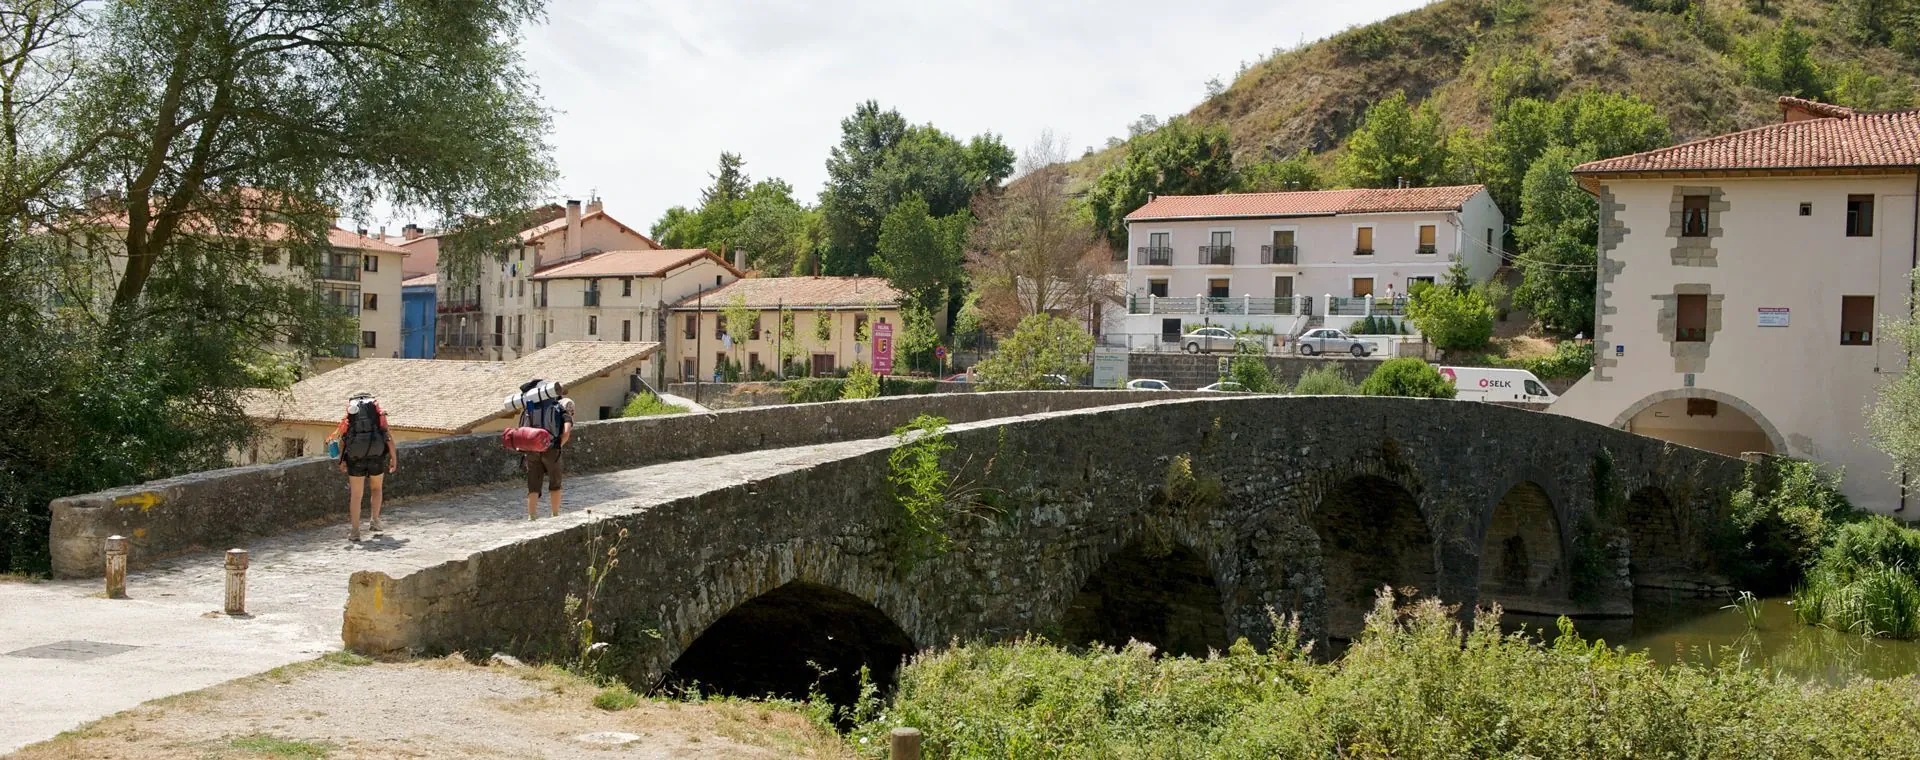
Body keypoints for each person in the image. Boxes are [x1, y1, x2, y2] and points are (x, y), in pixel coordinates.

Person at [324, 392, 396, 542]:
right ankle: (375, 520)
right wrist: (393, 457)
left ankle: (355, 531)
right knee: (376, 488)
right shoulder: (378, 415)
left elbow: (343, 441)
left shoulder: (349, 419)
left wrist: (342, 461)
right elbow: (388, 437)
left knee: (356, 495)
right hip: (376, 456)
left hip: (355, 458)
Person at [518, 379, 574, 519]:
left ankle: (532, 516)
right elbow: (566, 432)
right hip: (552, 449)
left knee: (533, 483)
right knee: (555, 482)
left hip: (532, 450)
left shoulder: (529, 408)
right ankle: (555, 514)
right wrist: (558, 445)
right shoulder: (560, 409)